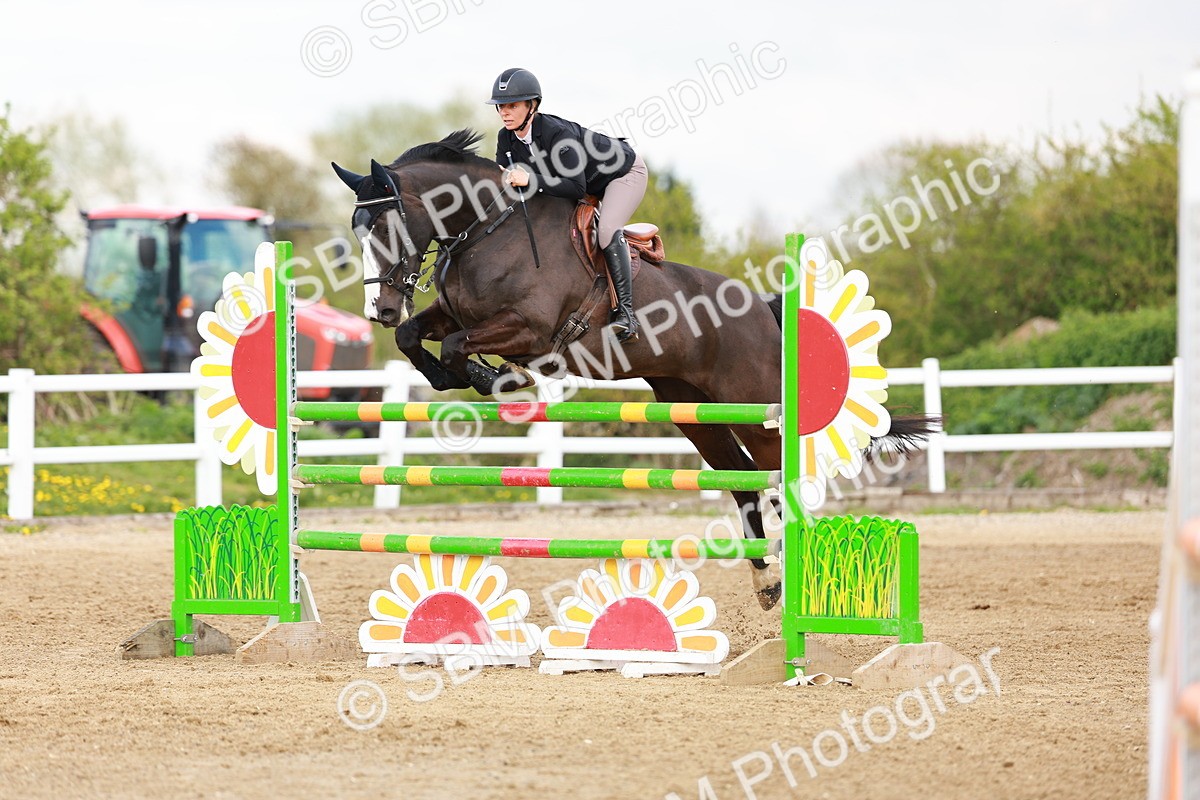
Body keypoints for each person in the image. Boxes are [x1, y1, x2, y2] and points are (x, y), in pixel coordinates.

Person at [488, 67, 647, 342]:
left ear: (532, 105)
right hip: (585, 183)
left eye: (512, 105)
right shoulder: (506, 138)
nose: (504, 112)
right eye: (501, 106)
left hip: (622, 174)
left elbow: (575, 187)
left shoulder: (557, 135)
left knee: (607, 230)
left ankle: (626, 315)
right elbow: (508, 185)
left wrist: (529, 179)